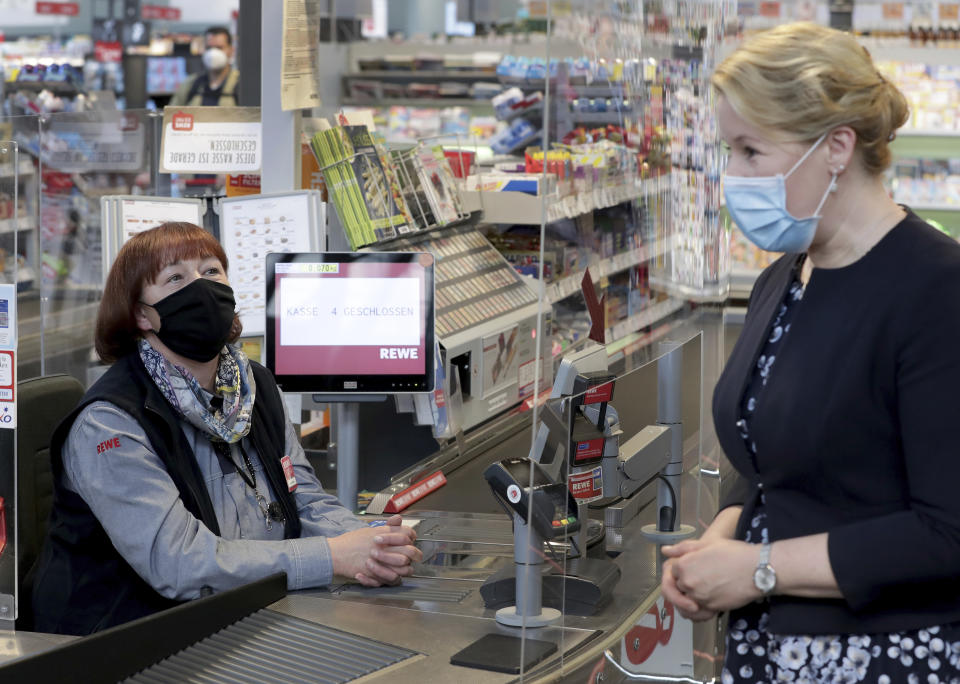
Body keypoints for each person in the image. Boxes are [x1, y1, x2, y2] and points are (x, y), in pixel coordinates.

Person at [659, 22, 960, 682]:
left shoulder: (937, 292)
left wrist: (760, 568)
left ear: (836, 148)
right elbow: (770, 452)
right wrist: (725, 538)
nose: (731, 176)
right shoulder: (787, 276)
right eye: (727, 150)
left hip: (884, 656)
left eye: (750, 151)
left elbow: (948, 533)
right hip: (773, 648)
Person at [31, 222, 421, 635]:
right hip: (123, 640)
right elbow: (179, 563)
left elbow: (303, 497)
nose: (201, 287)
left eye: (211, 271)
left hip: (243, 613)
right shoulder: (110, 422)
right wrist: (332, 556)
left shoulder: (254, 386)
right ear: (141, 315)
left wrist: (372, 544)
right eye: (176, 278)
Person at [169, 27, 239, 107]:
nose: (213, 53)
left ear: (231, 51)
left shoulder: (240, 84)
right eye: (209, 48)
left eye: (219, 48)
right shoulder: (190, 84)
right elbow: (172, 114)